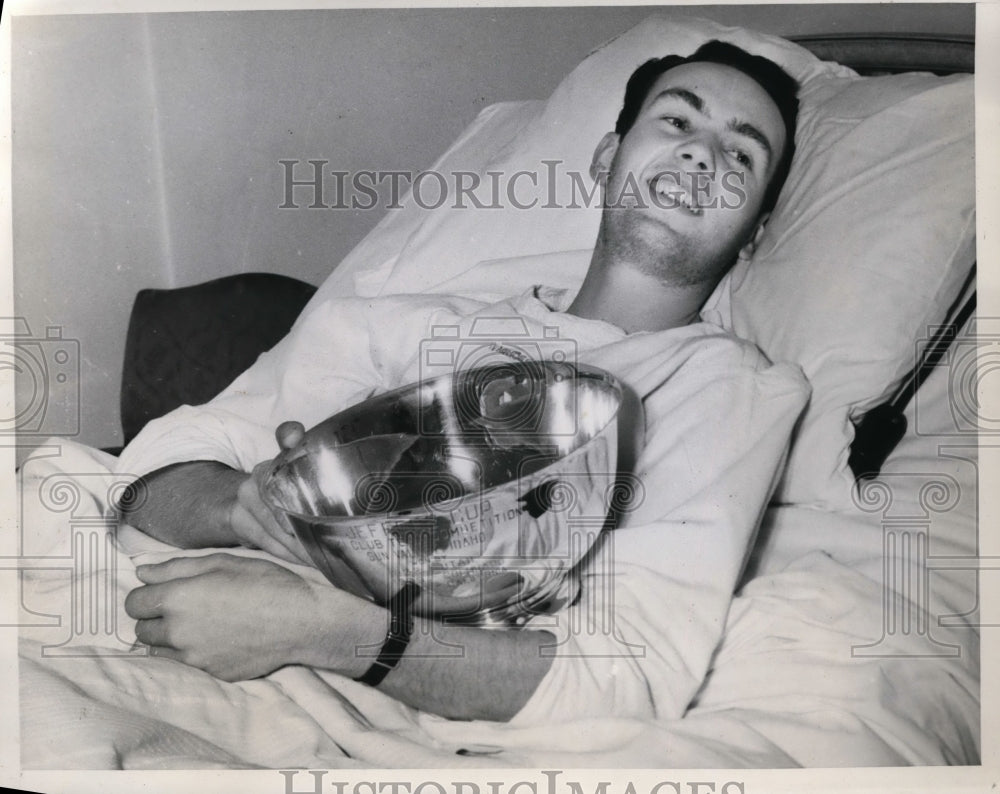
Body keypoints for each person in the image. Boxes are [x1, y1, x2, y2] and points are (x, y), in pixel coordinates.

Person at [118, 41, 807, 724]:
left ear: (755, 230)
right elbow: (146, 482)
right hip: (197, 625)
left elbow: (623, 679)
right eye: (678, 122)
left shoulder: (722, 387)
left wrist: (320, 631)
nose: (701, 155)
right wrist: (241, 505)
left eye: (742, 154)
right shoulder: (408, 327)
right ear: (606, 158)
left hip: (364, 693)